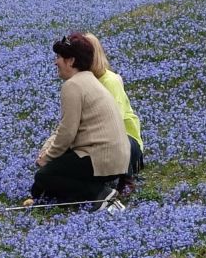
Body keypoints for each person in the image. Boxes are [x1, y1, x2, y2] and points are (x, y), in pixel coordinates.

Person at [25, 33, 130, 210]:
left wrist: (47, 157)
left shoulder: (73, 85)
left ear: (71, 61)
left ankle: (100, 193)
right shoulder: (90, 80)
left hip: (100, 157)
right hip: (117, 157)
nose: (55, 62)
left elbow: (67, 132)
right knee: (52, 173)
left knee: (44, 177)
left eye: (59, 57)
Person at [84, 32, 144, 195]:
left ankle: (127, 179)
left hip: (125, 139)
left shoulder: (110, 81)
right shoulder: (83, 82)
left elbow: (114, 121)